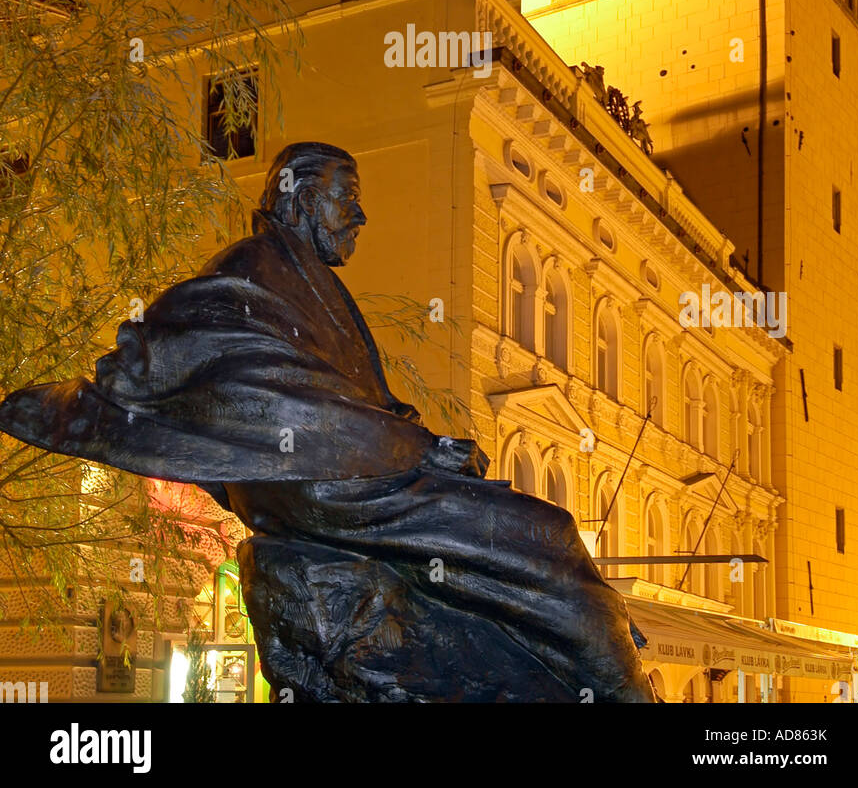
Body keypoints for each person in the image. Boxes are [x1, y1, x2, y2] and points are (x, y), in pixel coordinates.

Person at [0, 141, 654, 703]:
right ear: (296, 201)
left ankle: (574, 667)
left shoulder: (305, 279)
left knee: (516, 543)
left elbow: (349, 397)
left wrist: (427, 444)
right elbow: (281, 399)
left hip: (349, 472)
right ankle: (615, 684)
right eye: (346, 199)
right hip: (322, 484)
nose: (360, 215)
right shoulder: (252, 270)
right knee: (542, 533)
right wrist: (417, 447)